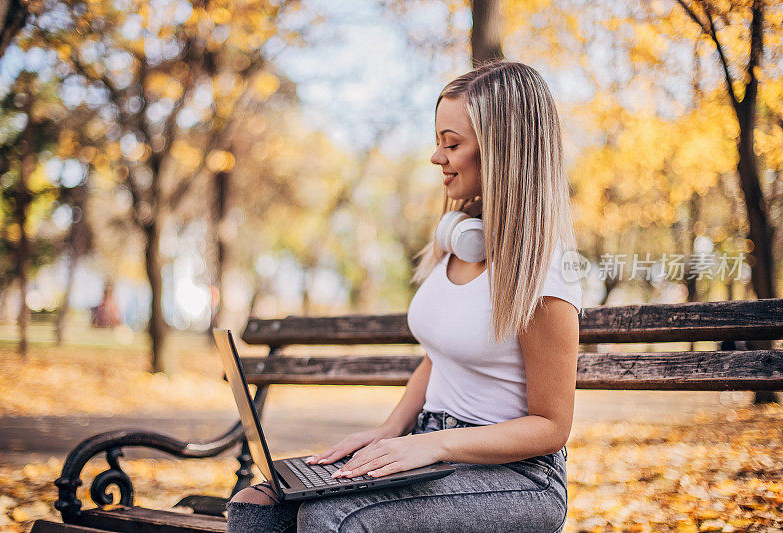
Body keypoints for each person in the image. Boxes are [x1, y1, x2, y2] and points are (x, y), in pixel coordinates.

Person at [227, 60, 583, 533]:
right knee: (259, 503)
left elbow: (551, 426)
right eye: (439, 141)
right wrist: (389, 429)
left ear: (503, 152)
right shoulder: (460, 240)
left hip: (519, 476)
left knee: (332, 518)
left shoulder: (545, 275)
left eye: (452, 143)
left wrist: (433, 446)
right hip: (430, 446)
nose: (437, 157)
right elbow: (438, 356)